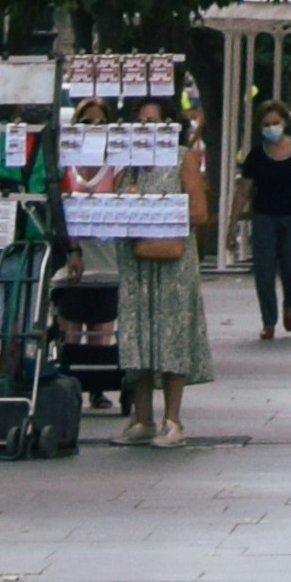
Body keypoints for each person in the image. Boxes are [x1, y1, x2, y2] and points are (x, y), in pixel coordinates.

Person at [114, 108, 214, 445]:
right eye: (140, 121)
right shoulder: (127, 164)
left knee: (172, 333)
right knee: (137, 333)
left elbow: (199, 211)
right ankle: (142, 418)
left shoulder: (181, 158)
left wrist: (153, 212)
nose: (147, 128)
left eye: (155, 121)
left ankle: (173, 420)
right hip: (135, 261)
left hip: (173, 260)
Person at [240, 105, 291, 344]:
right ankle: (268, 321)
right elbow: (244, 189)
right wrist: (232, 223)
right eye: (265, 124)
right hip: (264, 215)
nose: (271, 128)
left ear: (285, 123)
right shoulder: (256, 156)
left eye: (275, 122)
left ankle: (288, 303)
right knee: (263, 270)